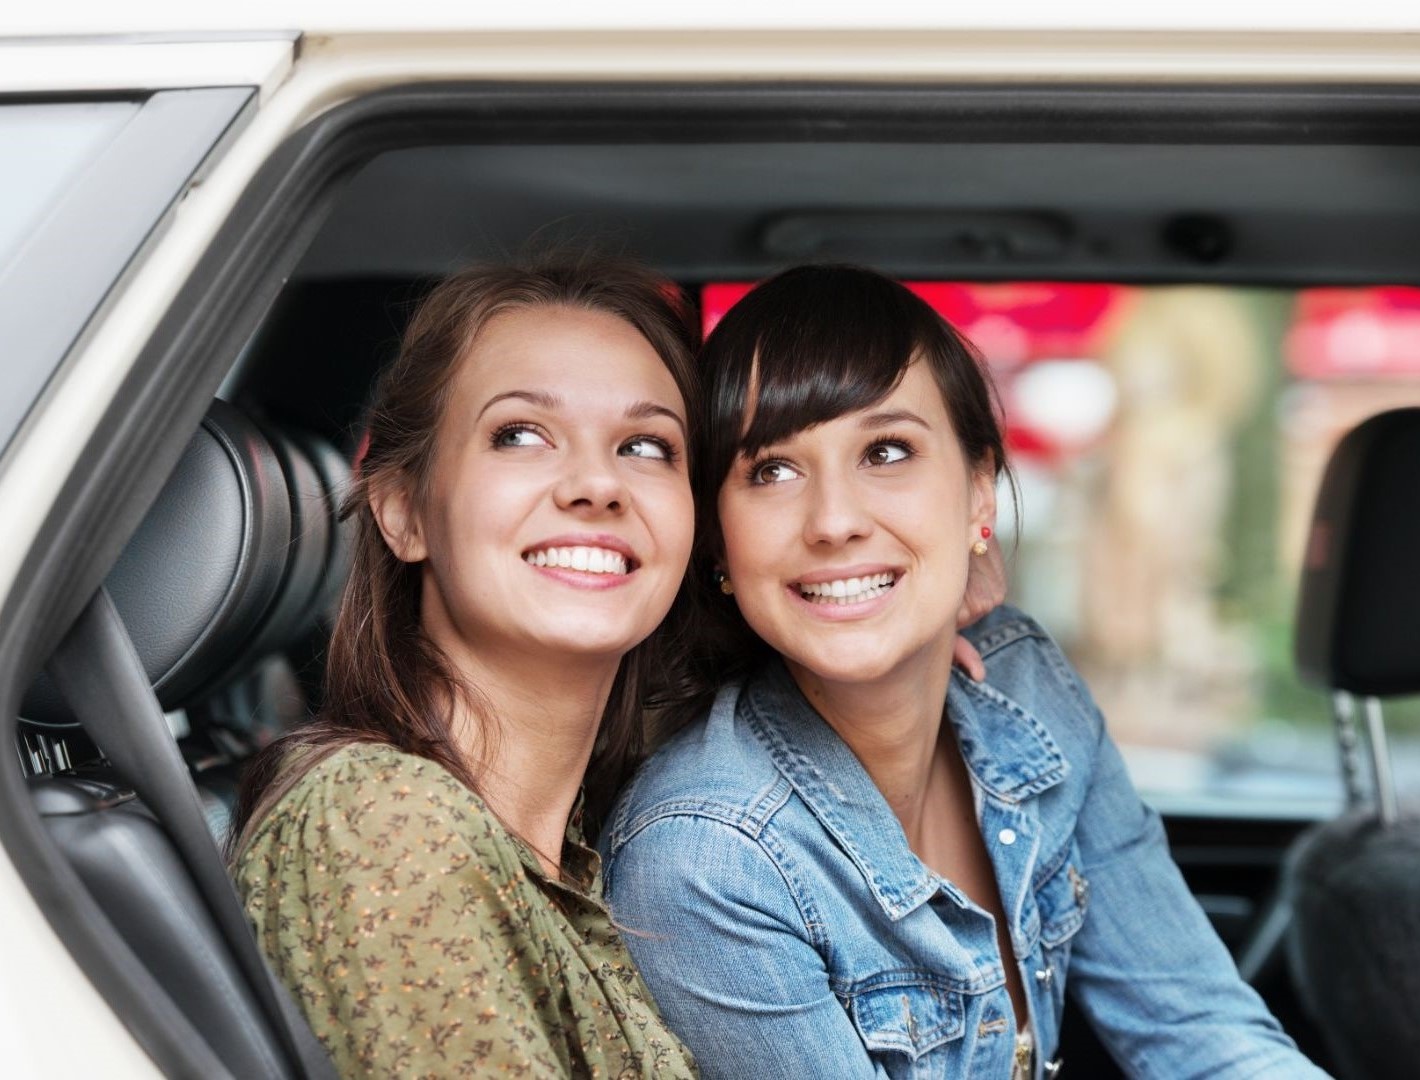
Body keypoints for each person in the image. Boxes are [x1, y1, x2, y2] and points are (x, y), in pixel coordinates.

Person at [600, 265, 1329, 1078]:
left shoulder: (1022, 686)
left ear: (978, 492)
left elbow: (1201, 1033)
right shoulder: (708, 858)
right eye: (770, 470)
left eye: (886, 451)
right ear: (717, 541)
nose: (834, 521)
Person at [230, 259, 701, 1078]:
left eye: (646, 445)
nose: (598, 483)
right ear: (403, 510)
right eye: (519, 434)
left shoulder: (574, 836)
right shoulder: (385, 820)